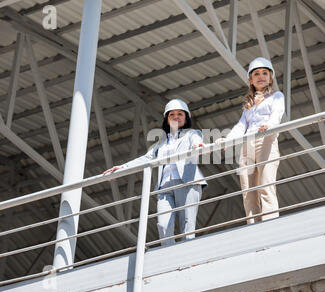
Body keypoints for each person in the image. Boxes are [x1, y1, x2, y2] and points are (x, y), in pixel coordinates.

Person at [104, 99, 207, 246]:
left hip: (187, 183)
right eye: (172, 114)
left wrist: (198, 145)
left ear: (186, 118)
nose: (176, 117)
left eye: (180, 114)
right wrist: (122, 167)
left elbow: (196, 140)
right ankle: (168, 256)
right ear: (167, 119)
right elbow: (146, 158)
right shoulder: (161, 143)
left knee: (187, 225)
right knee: (164, 225)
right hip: (164, 187)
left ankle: (187, 258)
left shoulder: (192, 134)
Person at [216, 57, 285, 224]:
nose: (261, 76)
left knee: (265, 185)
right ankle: (253, 224)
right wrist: (228, 140)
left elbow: (277, 114)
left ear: (270, 77)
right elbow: (241, 125)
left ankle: (270, 224)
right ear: (251, 79)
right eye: (256, 74)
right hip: (248, 144)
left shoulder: (276, 96)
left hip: (266, 140)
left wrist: (269, 125)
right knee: (248, 189)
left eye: (264, 73)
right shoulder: (249, 104)